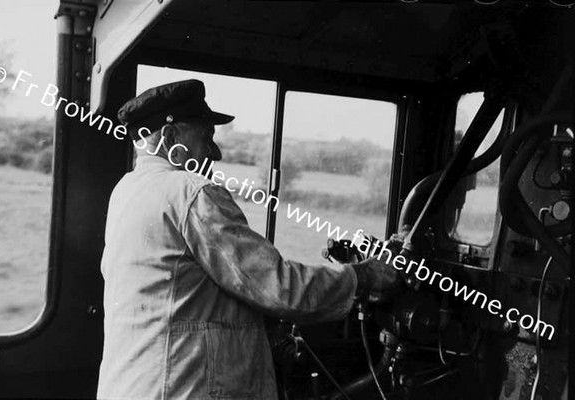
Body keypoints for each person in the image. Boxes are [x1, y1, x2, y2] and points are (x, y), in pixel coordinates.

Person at [97, 79, 403, 400]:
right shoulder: (192, 193)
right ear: (171, 136)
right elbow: (281, 288)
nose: (214, 152)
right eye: (205, 137)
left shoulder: (127, 190)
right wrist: (364, 275)